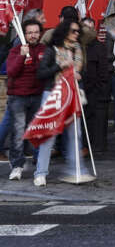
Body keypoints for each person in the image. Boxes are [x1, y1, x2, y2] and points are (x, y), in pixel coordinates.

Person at [34, 19, 89, 185]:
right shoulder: (52, 50)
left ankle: (76, 170)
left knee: (75, 134)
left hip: (72, 93)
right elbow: (41, 73)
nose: (77, 34)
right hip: (54, 94)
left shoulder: (78, 50)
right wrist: (60, 66)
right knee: (49, 134)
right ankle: (40, 173)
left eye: (78, 31)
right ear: (64, 31)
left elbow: (81, 71)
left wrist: (79, 75)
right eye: (73, 30)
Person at [5, 19, 45, 180]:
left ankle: (40, 165)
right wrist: (22, 56)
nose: (33, 35)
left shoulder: (44, 50)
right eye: (29, 32)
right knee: (18, 132)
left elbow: (46, 71)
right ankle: (17, 165)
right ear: (24, 34)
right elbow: (12, 72)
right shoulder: (15, 50)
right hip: (18, 97)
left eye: (36, 32)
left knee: (37, 132)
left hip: (37, 95)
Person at [81, 18, 114, 154]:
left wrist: (99, 87)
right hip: (84, 88)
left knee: (96, 120)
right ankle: (84, 145)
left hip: (96, 90)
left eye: (90, 27)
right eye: (85, 27)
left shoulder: (100, 46)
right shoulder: (80, 46)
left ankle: (95, 146)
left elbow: (103, 70)